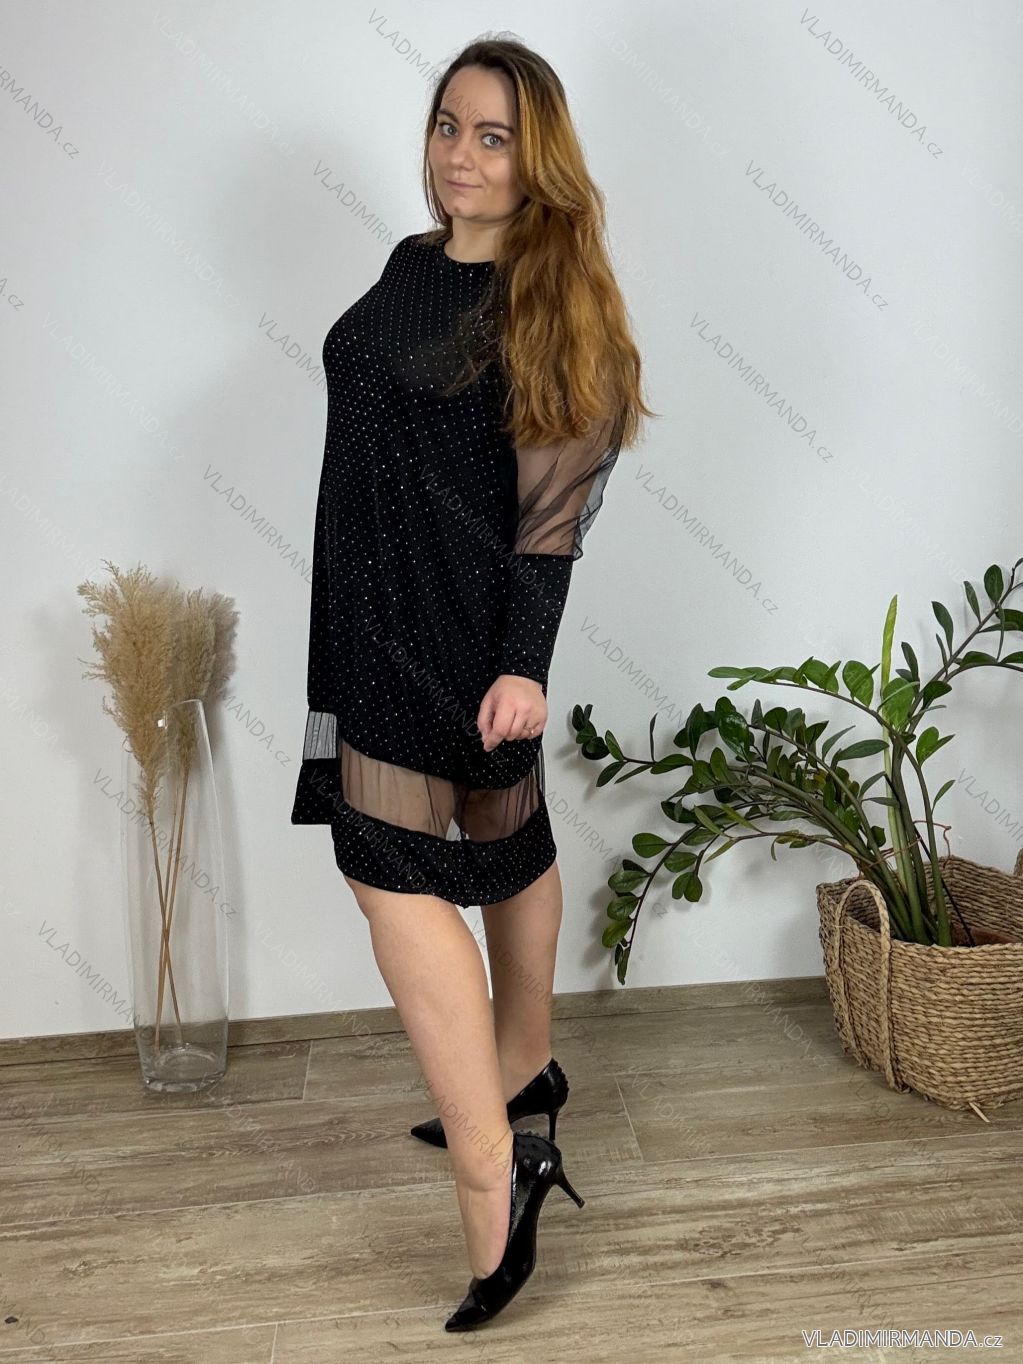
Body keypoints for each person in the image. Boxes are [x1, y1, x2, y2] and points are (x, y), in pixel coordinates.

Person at [291, 36, 653, 1331]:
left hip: (457, 631)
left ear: (534, 155)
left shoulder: (548, 303)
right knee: (502, 837)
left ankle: (495, 1174)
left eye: (493, 136)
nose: (460, 153)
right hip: (364, 613)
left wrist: (523, 663)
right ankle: (524, 1073)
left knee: (388, 872)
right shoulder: (412, 263)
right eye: (449, 124)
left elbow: (553, 510)